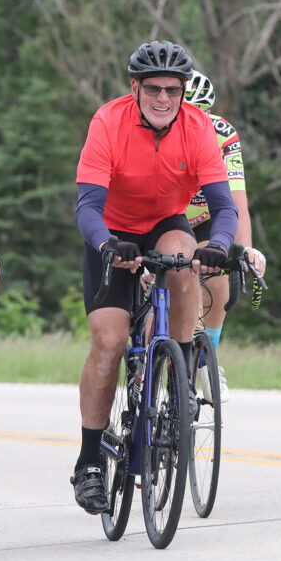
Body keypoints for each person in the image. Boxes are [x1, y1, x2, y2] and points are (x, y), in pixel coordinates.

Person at [70, 41, 239, 515]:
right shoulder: (108, 122)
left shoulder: (198, 127)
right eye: (153, 89)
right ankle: (88, 461)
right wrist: (107, 244)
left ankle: (179, 374)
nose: (163, 98)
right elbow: (87, 206)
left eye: (172, 90)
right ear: (135, 88)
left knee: (185, 259)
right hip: (112, 231)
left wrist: (218, 245)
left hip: (166, 221)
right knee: (109, 341)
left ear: (182, 92)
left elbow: (224, 207)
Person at [182, 69, 268, 403]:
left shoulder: (223, 133)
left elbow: (236, 199)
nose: (196, 123)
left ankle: (206, 360)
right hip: (165, 216)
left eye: (202, 114)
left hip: (205, 217)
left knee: (217, 272)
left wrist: (245, 249)